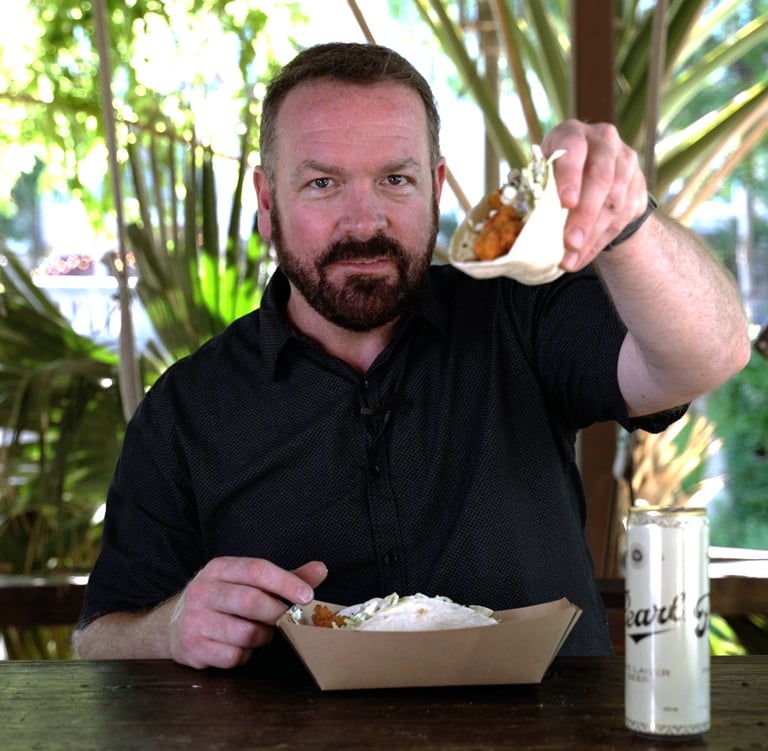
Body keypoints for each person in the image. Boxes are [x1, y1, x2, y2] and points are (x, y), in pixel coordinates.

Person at [72, 42, 750, 669]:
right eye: (322, 183)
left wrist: (626, 219)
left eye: (395, 179)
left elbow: (709, 356)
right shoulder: (186, 408)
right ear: (267, 202)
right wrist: (169, 629)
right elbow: (99, 637)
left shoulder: (522, 311)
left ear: (436, 187)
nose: (364, 222)